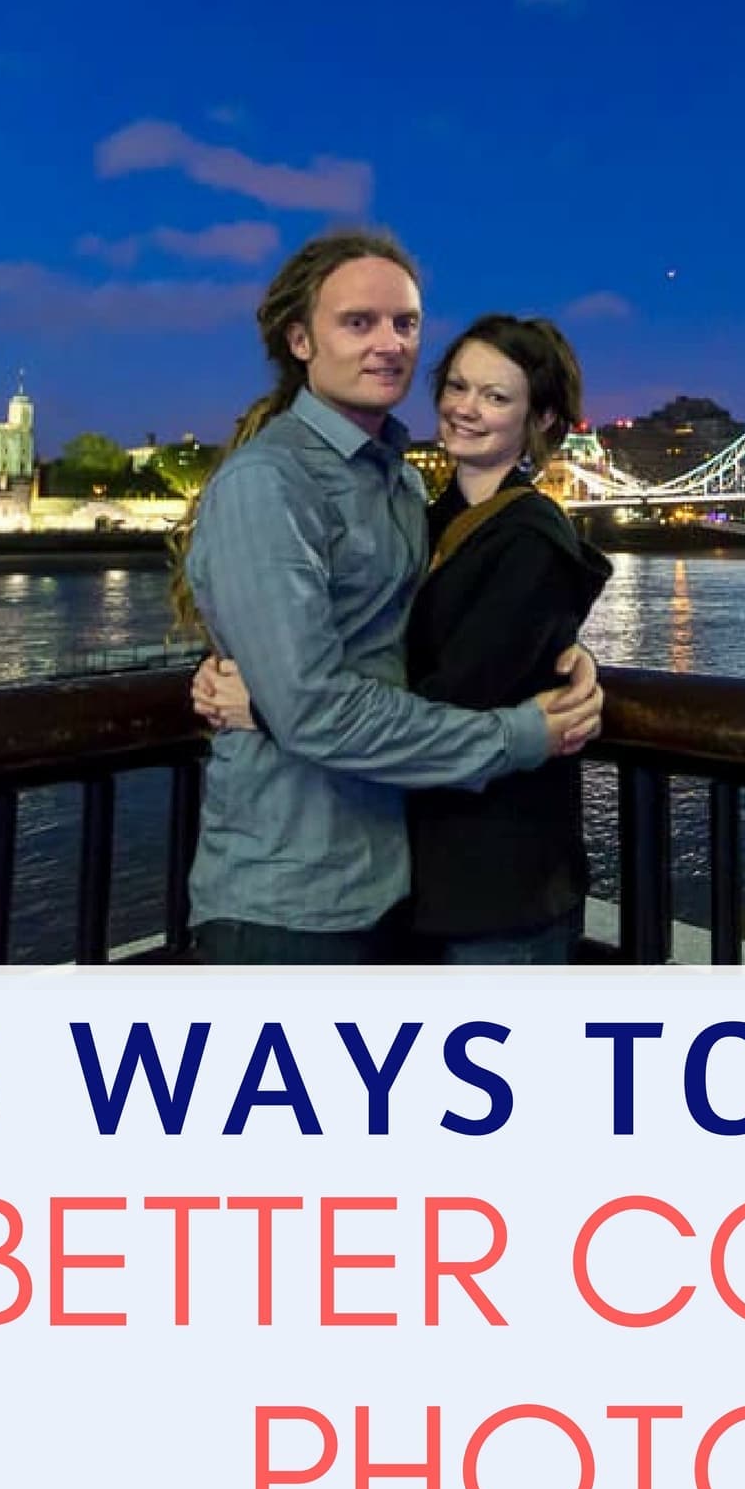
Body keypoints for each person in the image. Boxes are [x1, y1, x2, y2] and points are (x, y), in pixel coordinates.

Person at [174, 230, 602, 965]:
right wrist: (523, 733)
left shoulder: (401, 483)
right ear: (300, 339)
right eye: (358, 322)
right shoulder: (268, 484)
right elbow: (314, 708)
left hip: (396, 882)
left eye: (405, 323)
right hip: (292, 897)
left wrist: (555, 651)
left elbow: (427, 632)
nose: (389, 344)